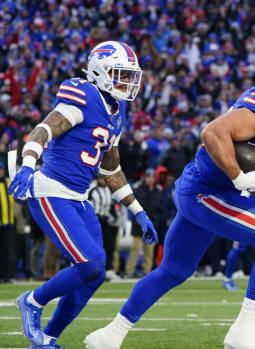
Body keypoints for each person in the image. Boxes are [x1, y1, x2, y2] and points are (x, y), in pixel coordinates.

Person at [85, 43, 255, 349]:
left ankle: (110, 335)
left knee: (174, 270)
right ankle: (242, 331)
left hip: (209, 191)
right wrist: (237, 176)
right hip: (208, 192)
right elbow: (213, 133)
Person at [9, 41, 158, 349]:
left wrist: (138, 210)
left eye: (129, 75)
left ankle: (47, 339)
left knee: (94, 275)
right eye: (119, 74)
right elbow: (43, 130)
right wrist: (27, 165)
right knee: (91, 263)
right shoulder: (83, 95)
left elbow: (111, 169)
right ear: (99, 71)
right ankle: (32, 301)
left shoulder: (117, 111)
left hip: (79, 197)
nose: (126, 82)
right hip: (52, 191)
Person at [125, 169, 163, 278]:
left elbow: (161, 207)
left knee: (149, 252)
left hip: (152, 226)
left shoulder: (157, 191)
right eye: (148, 177)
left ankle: (147, 272)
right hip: (138, 226)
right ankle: (129, 271)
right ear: (145, 178)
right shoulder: (138, 190)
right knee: (135, 249)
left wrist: (156, 219)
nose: (150, 179)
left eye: (151, 177)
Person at [88, 175, 119, 280]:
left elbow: (111, 205)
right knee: (95, 246)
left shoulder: (109, 190)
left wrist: (113, 215)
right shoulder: (92, 189)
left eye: (105, 178)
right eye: (101, 178)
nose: (103, 180)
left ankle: (108, 269)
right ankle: (93, 270)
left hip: (106, 222)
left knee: (109, 246)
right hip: (93, 222)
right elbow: (88, 206)